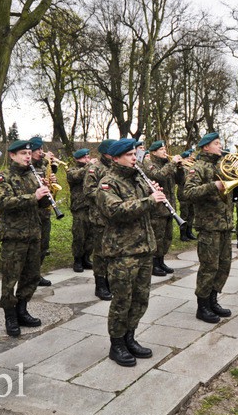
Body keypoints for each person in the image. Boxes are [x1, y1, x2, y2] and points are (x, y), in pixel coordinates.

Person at [97, 138, 166, 367]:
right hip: (122, 251)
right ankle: (117, 344)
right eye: (128, 155)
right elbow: (115, 210)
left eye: (134, 154)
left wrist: (155, 198)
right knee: (122, 301)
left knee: (140, 298)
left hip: (144, 248)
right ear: (115, 158)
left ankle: (130, 337)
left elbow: (145, 209)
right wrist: (149, 200)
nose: (133, 158)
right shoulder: (108, 183)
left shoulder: (138, 179)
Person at [0, 140, 50, 337]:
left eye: (28, 153)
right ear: (12, 155)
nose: (28, 156)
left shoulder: (34, 175)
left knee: (32, 275)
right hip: (13, 236)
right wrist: (33, 196)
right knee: (10, 278)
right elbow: (4, 203)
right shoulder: (3, 177)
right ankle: (10, 316)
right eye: (23, 153)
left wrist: (44, 197)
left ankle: (22, 310)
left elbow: (39, 206)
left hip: (33, 234)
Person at [183, 132, 235, 324]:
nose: (220, 146)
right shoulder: (198, 167)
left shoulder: (222, 165)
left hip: (225, 224)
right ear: (206, 147)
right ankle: (202, 306)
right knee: (209, 267)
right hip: (209, 225)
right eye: (217, 143)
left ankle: (213, 300)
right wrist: (213, 186)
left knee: (224, 265)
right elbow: (187, 193)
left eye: (220, 143)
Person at [142, 140, 181, 276]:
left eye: (165, 149)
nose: (165, 151)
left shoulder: (167, 165)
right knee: (157, 237)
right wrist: (172, 163)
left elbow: (180, 181)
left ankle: (161, 261)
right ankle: (154, 264)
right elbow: (158, 176)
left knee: (167, 237)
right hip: (158, 209)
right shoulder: (150, 165)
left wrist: (180, 168)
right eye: (161, 149)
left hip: (169, 207)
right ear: (153, 152)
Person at [84, 139, 116, 300]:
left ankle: (111, 280)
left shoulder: (117, 168)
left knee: (113, 251)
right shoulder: (94, 168)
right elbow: (88, 191)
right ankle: (100, 284)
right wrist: (109, 196)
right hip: (100, 217)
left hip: (115, 217)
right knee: (100, 252)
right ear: (106, 153)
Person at [29, 137, 55, 286]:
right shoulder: (27, 168)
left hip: (45, 211)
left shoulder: (43, 166)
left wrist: (51, 182)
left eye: (41, 149)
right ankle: (30, 275)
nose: (41, 152)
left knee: (44, 245)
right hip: (33, 213)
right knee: (33, 247)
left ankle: (37, 274)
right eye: (38, 150)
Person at [68, 148, 94, 273]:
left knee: (91, 235)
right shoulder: (72, 170)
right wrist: (90, 165)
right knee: (79, 234)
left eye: (88, 157)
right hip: (79, 207)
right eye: (84, 158)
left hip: (92, 206)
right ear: (77, 159)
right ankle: (77, 259)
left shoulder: (91, 170)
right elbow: (77, 176)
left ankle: (86, 257)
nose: (87, 159)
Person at [177, 148, 198, 242]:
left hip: (191, 194)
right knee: (184, 214)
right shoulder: (181, 169)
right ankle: (183, 234)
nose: (190, 159)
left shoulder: (191, 167)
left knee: (191, 214)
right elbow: (181, 180)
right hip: (183, 194)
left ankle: (189, 232)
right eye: (187, 158)